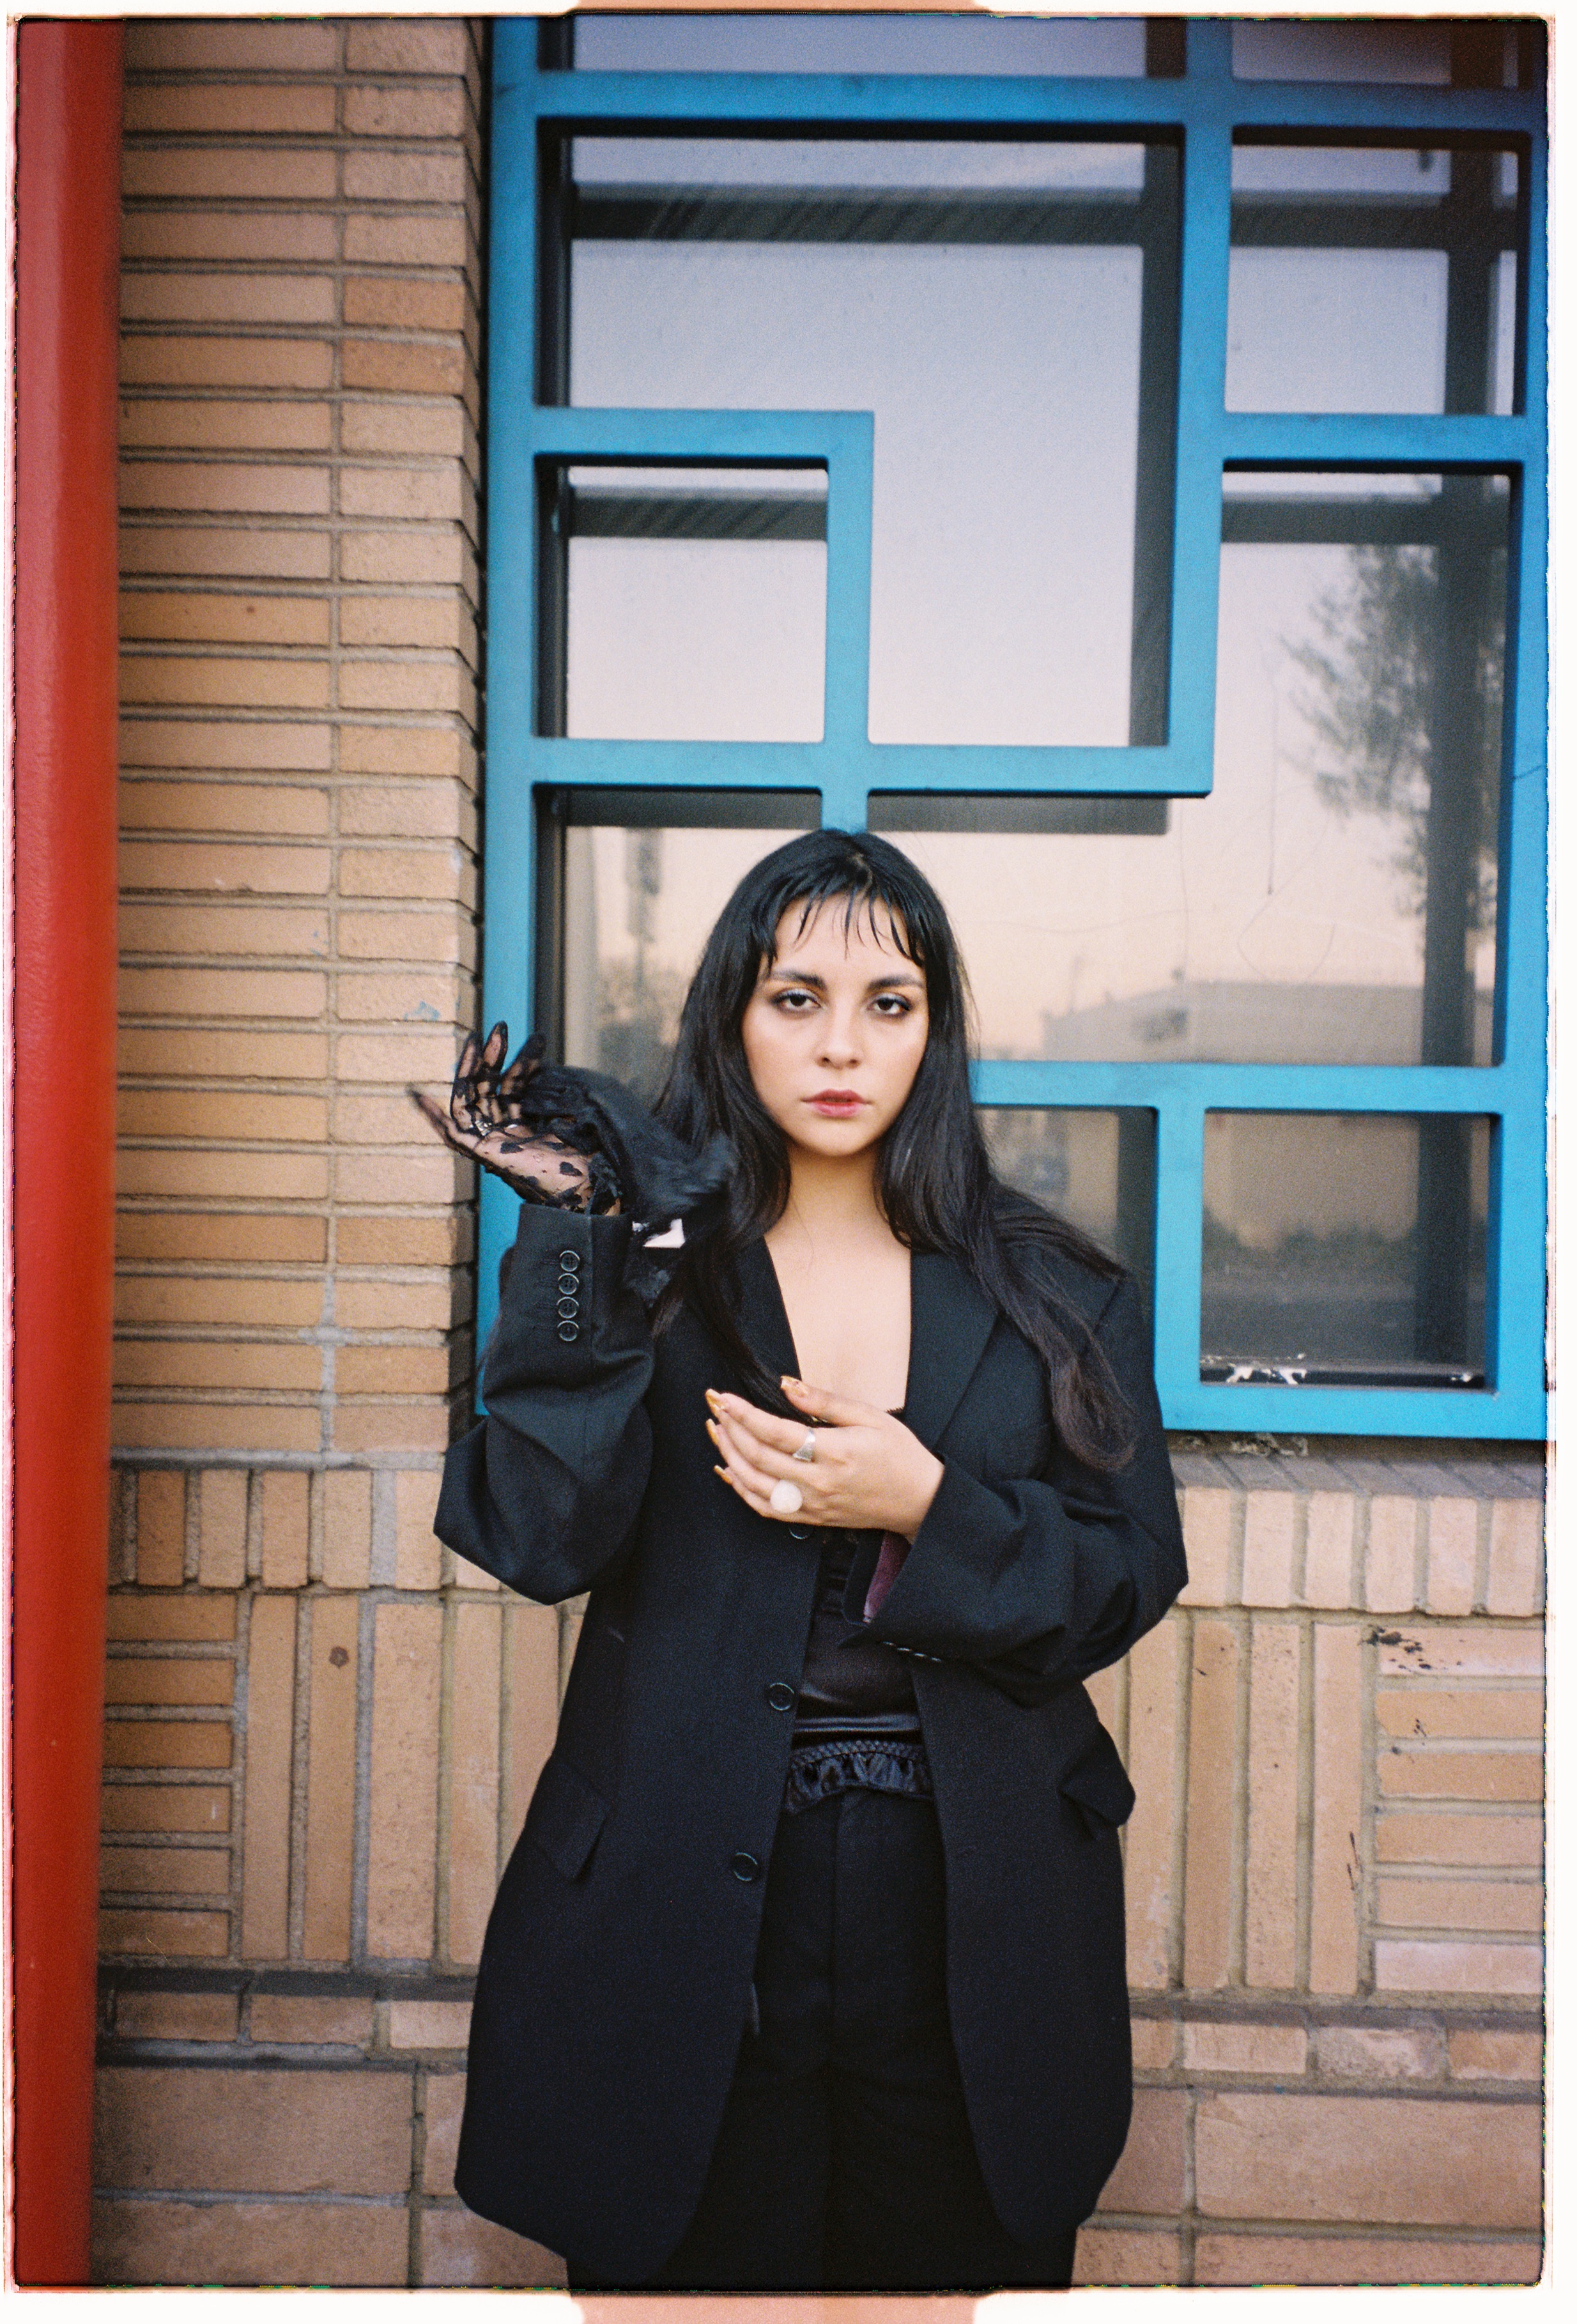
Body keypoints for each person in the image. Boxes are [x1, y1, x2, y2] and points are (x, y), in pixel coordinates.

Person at [413, 829, 1187, 2292]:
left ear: (936, 1031)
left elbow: (1128, 1574)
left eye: (888, 1003)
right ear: (731, 1016)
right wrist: (580, 1239)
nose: (842, 1045)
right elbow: (532, 1536)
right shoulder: (642, 1261)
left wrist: (927, 1504)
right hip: (679, 1889)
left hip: (972, 1902)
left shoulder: (1051, 1284)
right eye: (796, 998)